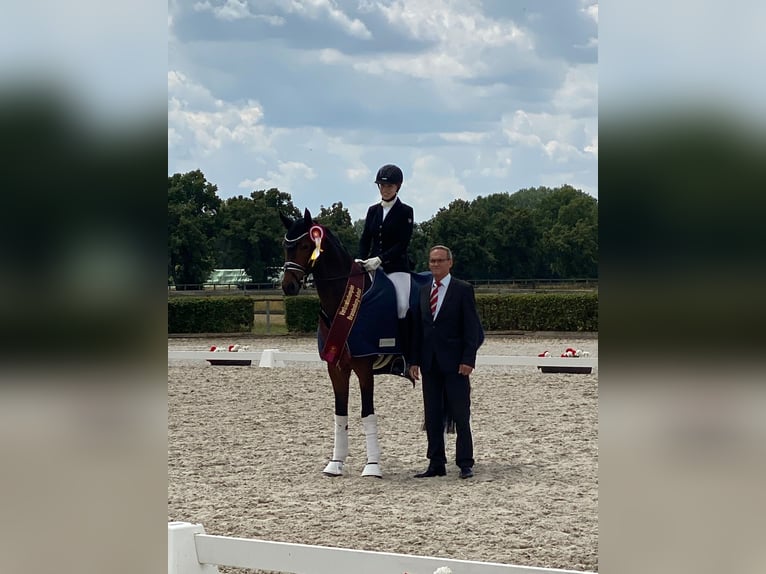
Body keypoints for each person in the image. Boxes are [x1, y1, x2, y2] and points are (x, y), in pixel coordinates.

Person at [408, 245, 483, 479]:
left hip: (456, 364)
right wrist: (414, 361)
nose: (436, 265)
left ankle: (465, 463)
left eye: (440, 261)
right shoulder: (422, 291)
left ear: (450, 263)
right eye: (432, 261)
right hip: (430, 363)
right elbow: (418, 330)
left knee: (461, 414)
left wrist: (468, 359)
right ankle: (436, 462)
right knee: (432, 415)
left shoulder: (462, 290)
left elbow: (473, 330)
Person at [358, 163, 415, 362]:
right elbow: (365, 238)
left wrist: (380, 259)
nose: (385, 189)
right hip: (371, 266)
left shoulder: (405, 211)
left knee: (401, 305)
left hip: (396, 267)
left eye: (389, 186)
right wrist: (360, 259)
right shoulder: (373, 210)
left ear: (397, 187)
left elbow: (402, 243)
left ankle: (406, 355)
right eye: (382, 186)